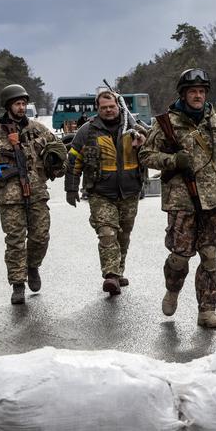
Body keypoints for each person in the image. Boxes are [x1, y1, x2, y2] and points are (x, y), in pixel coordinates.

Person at [139, 68, 216, 328]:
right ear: (184, 94)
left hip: (212, 200)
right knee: (179, 257)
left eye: (202, 91)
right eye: (193, 92)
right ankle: (173, 289)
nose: (198, 96)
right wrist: (172, 160)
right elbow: (145, 155)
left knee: (210, 256)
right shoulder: (167, 123)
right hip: (181, 201)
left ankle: (206, 311)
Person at [0, 84, 66, 304]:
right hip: (9, 196)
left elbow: (59, 150)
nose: (21, 108)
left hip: (37, 192)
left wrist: (56, 165)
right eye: (17, 104)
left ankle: (32, 266)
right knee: (14, 240)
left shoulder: (37, 128)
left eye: (24, 103)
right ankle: (18, 284)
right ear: (8, 106)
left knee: (41, 236)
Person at [64, 90, 147, 296]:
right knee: (107, 233)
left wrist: (144, 140)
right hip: (100, 192)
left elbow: (156, 141)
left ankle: (118, 270)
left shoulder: (133, 128)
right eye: (103, 108)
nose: (108, 110)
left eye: (111, 107)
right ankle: (110, 275)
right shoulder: (87, 131)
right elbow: (74, 160)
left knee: (123, 235)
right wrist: (71, 188)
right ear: (98, 109)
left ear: (118, 106)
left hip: (130, 191)